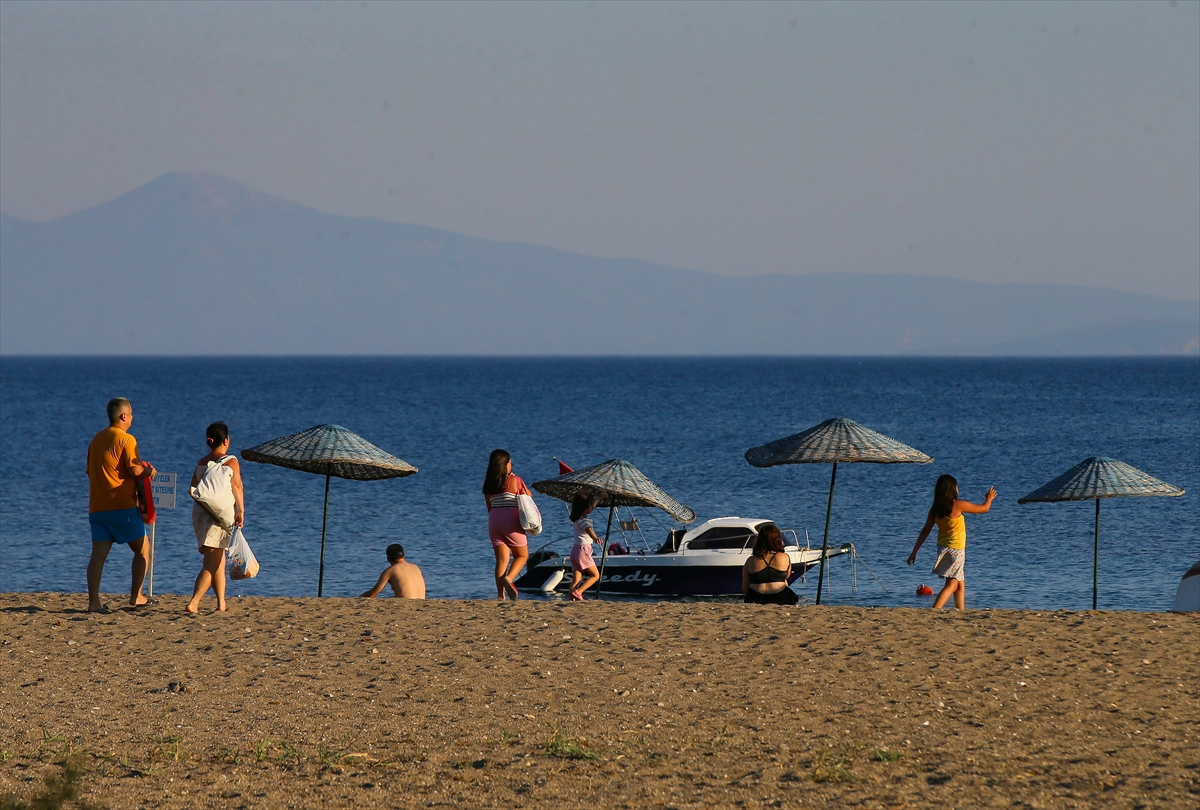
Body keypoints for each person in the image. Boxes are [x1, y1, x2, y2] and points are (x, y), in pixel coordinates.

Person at [86, 397, 157, 612]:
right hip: (121, 506)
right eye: (132, 414)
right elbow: (135, 470)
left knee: (98, 556)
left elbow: (90, 472)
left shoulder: (96, 440)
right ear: (123, 416)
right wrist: (149, 471)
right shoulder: (127, 439)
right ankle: (136, 596)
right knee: (143, 549)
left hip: (97, 507)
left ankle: (94, 603)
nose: (133, 418)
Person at [907, 474, 997, 611]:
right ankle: (935, 610)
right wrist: (989, 499)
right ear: (952, 489)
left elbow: (925, 531)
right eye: (956, 486)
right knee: (951, 585)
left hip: (943, 549)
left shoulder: (935, 510)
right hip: (956, 550)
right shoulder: (957, 505)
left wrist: (914, 552)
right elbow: (984, 509)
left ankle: (960, 611)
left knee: (960, 583)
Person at [185, 422, 244, 614]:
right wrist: (240, 510)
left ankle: (221, 603)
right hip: (219, 517)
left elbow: (193, 488)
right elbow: (237, 487)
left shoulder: (201, 462)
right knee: (211, 564)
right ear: (226, 440)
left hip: (202, 514)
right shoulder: (231, 462)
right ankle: (194, 602)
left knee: (218, 558)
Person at [482, 448, 533, 600]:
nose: (512, 464)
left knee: (501, 560)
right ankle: (509, 579)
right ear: (505, 465)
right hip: (510, 519)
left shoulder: (488, 483)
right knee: (522, 555)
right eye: (510, 462)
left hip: (494, 519)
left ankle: (500, 595)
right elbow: (528, 498)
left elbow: (489, 507)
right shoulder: (515, 480)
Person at [742, 524, 800, 605]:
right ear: (778, 539)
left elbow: (745, 588)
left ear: (759, 540)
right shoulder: (784, 557)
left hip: (756, 597)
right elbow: (786, 576)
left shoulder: (750, 560)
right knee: (785, 584)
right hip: (780, 597)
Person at [568, 490, 604, 601]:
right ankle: (578, 592)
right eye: (590, 506)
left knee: (576, 579)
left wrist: (600, 497)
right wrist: (595, 538)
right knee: (595, 575)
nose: (592, 508)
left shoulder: (576, 518)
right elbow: (588, 529)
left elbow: (592, 506)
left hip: (575, 551)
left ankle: (572, 598)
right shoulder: (584, 521)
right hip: (583, 550)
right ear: (585, 507)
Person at [360, 544, 426, 599]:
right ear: (403, 555)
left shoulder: (391, 570)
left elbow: (372, 594)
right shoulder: (415, 567)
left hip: (406, 604)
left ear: (388, 559)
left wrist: (358, 598)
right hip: (421, 603)